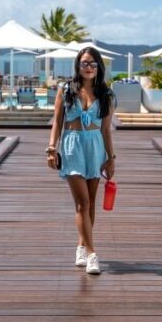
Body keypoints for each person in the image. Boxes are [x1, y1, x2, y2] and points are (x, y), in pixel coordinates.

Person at [46, 47, 116, 275]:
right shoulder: (66, 90)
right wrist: (51, 148)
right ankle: (93, 254)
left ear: (99, 67)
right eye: (84, 63)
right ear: (78, 65)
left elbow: (106, 130)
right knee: (81, 203)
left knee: (91, 202)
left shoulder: (106, 94)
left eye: (93, 64)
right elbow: (57, 122)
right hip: (72, 145)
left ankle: (81, 246)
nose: (88, 67)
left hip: (95, 146)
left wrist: (111, 158)